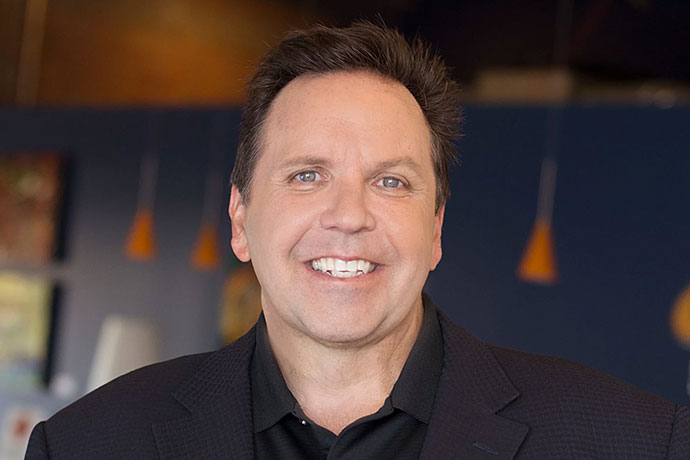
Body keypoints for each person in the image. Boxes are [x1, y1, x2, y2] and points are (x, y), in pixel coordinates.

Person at [26, 21, 689, 460]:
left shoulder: (636, 443)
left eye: (391, 182)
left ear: (435, 230)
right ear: (240, 220)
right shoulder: (86, 446)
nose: (349, 216)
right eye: (307, 175)